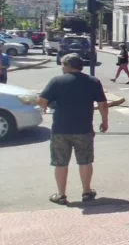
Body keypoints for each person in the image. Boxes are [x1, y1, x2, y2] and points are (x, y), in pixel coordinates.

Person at [37, 54, 108, 205]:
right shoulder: (93, 81)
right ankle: (87, 192)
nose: (62, 67)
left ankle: (61, 195)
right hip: (84, 129)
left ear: (68, 65)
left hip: (61, 130)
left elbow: (42, 101)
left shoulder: (57, 81)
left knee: (60, 163)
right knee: (85, 161)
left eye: (63, 64)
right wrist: (104, 121)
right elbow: (102, 104)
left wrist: (48, 108)